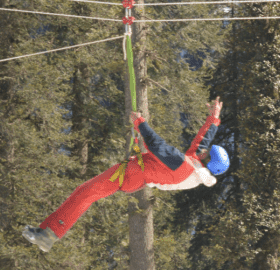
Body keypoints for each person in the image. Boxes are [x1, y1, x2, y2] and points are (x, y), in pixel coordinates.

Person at [22, 97, 229, 252]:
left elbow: (158, 146)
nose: (204, 150)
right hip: (133, 173)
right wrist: (214, 118)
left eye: (207, 153)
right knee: (84, 192)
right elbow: (201, 141)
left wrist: (140, 123)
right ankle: (47, 233)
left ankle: (48, 235)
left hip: (129, 175)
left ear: (208, 160)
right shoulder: (196, 168)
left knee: (85, 194)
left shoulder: (183, 165)